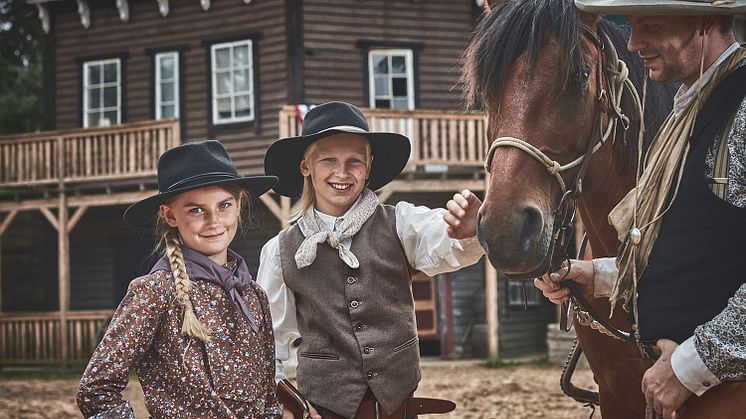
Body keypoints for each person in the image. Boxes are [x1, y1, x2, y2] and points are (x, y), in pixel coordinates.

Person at [536, 1, 746, 418]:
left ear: (705, 21)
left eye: (651, 26)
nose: (634, 44)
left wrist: (691, 366)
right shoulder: (691, 107)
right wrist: (594, 274)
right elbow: (696, 254)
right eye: (632, 26)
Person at [258, 101, 485, 419]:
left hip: (399, 411)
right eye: (328, 160)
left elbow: (444, 239)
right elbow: (268, 343)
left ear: (369, 167)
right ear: (305, 166)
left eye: (354, 161)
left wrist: (464, 230)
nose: (342, 172)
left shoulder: (400, 223)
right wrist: (288, 402)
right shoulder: (280, 251)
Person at [77, 140, 282, 418]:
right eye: (196, 209)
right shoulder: (155, 292)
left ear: (239, 205)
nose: (214, 220)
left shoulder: (254, 295)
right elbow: (96, 389)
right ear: (170, 215)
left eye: (224, 205)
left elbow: (268, 398)